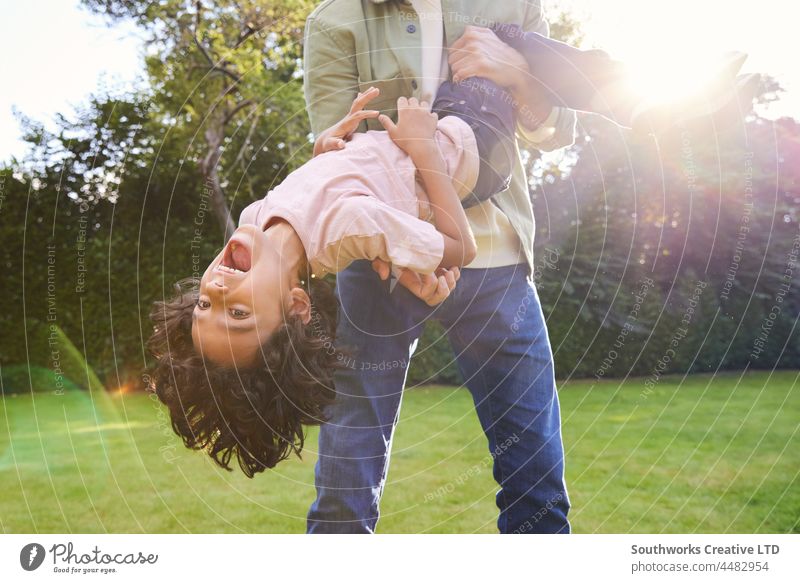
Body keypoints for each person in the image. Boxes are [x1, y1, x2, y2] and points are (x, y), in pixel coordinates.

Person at [147, 74, 522, 478]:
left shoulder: (254, 217)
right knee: (514, 52)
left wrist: (323, 154)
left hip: (443, 121)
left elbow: (316, 188)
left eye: (204, 305)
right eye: (238, 313)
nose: (217, 288)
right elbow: (460, 247)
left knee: (476, 48)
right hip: (475, 144)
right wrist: (425, 148)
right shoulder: (348, 226)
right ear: (296, 305)